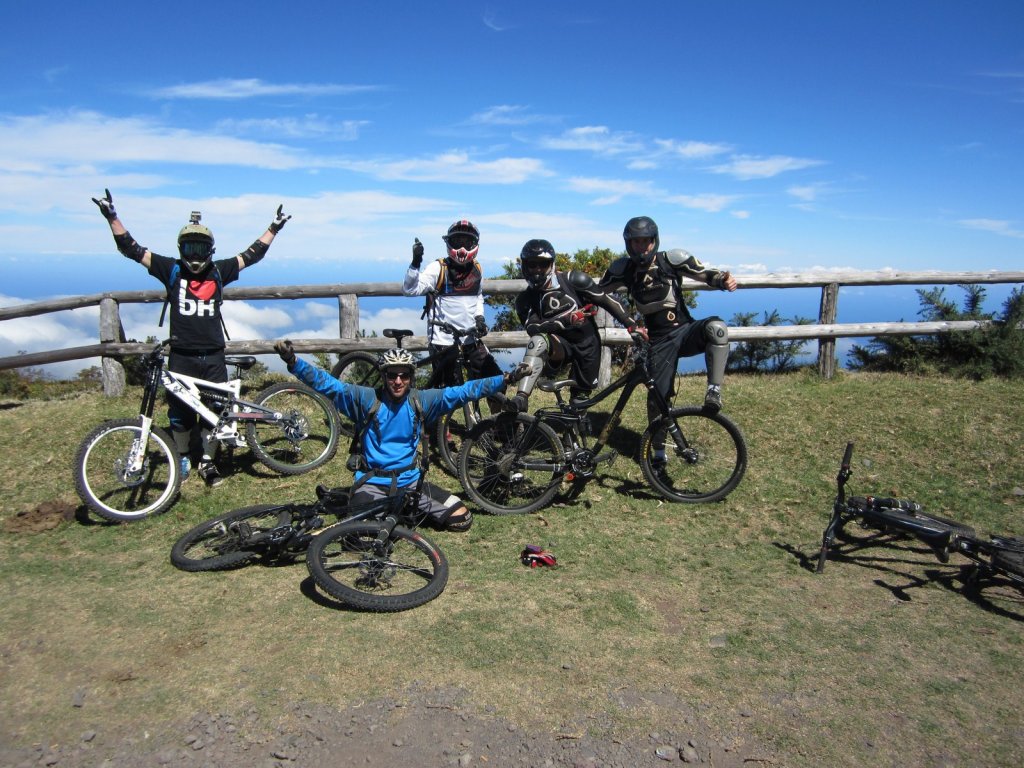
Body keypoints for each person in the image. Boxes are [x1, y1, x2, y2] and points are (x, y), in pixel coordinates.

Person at [92, 188, 290, 487]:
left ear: (210, 249)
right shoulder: (170, 269)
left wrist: (273, 228)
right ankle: (183, 457)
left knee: (215, 412)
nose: (195, 255)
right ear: (180, 249)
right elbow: (131, 248)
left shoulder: (220, 271)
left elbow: (253, 254)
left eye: (200, 248)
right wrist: (112, 216)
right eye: (189, 248)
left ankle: (208, 462)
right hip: (181, 355)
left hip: (213, 354)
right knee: (180, 414)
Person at [273, 340, 528, 531]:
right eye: (392, 375)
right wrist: (293, 362)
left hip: (410, 484)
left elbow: (464, 391)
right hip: (373, 482)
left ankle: (395, 509)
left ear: (411, 377)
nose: (398, 381)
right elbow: (328, 384)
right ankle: (356, 502)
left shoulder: (422, 401)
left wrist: (505, 379)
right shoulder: (366, 399)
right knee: (361, 537)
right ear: (383, 376)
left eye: (404, 375)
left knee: (461, 518)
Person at [599, 215, 737, 420]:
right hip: (658, 343)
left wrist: (723, 280)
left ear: (654, 240)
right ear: (629, 244)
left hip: (685, 331)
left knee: (716, 328)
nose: (642, 247)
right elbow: (596, 292)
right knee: (657, 401)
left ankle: (713, 391)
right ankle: (657, 441)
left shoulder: (671, 259)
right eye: (637, 242)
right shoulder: (624, 269)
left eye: (646, 241)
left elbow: (705, 273)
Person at [507, 239, 645, 413]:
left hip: (587, 345)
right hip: (559, 346)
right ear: (524, 267)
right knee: (537, 341)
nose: (537, 270)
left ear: (552, 264)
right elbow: (533, 329)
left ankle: (574, 425)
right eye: (532, 265)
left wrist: (632, 326)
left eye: (543, 264)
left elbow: (606, 300)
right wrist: (566, 320)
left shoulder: (574, 280)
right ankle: (521, 399)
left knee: (579, 402)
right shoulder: (525, 300)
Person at [402, 220, 502, 388]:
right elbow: (410, 290)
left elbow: (478, 296)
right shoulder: (438, 268)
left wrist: (479, 318)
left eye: (467, 242)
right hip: (443, 342)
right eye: (457, 242)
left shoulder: (477, 268)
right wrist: (415, 263)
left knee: (495, 380)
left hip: (470, 338)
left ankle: (495, 405)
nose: (462, 248)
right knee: (449, 392)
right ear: (449, 242)